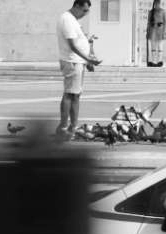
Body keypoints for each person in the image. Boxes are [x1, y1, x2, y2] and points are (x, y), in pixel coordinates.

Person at [56, 0, 101, 137]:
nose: (85, 14)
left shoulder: (73, 20)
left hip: (77, 61)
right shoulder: (67, 19)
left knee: (75, 95)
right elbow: (72, 45)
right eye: (84, 10)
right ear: (76, 6)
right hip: (72, 62)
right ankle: (64, 127)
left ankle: (72, 126)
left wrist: (86, 60)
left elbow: (80, 43)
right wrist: (88, 59)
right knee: (70, 94)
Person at [146, 0, 166, 67]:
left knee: (160, 47)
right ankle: (154, 61)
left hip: (160, 30)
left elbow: (165, 22)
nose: (157, 4)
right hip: (153, 30)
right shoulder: (151, 12)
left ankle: (159, 61)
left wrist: (164, 32)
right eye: (156, 3)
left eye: (158, 3)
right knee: (153, 47)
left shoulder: (162, 11)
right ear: (154, 4)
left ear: (159, 4)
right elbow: (148, 23)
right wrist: (148, 32)